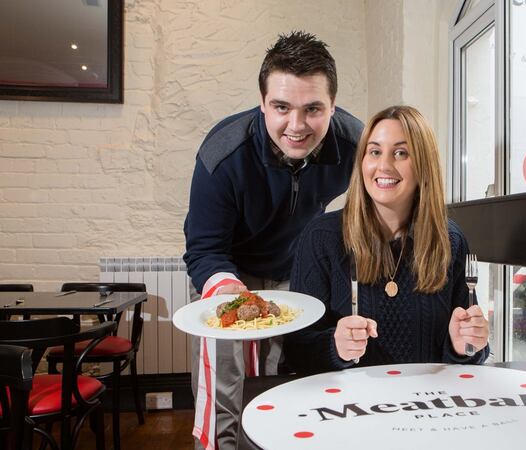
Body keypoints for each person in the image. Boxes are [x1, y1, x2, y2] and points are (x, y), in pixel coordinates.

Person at [182, 31, 363, 449]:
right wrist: (232, 294)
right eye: (281, 107)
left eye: (313, 109)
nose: (296, 126)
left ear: (332, 107)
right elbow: (205, 248)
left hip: (295, 270)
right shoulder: (223, 152)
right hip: (229, 271)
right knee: (224, 381)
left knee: (286, 377)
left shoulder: (356, 142)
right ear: (263, 103)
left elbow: (381, 202)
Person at [284, 105, 489, 374]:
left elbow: (467, 354)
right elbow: (296, 351)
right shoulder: (322, 237)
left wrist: (465, 345)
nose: (384, 165)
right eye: (375, 151)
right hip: (347, 406)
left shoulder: (450, 239)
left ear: (423, 166)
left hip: (425, 405)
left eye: (401, 153)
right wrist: (336, 347)